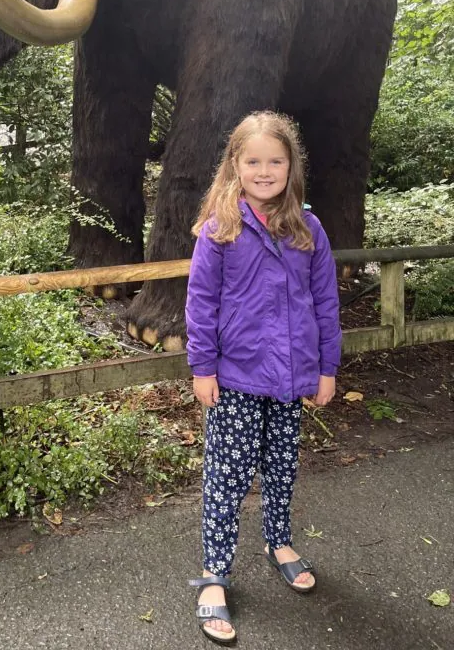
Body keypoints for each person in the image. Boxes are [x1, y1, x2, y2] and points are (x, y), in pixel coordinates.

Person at [185, 111, 341, 645]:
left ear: (290, 166)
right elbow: (200, 304)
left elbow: (325, 302)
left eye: (276, 160)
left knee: (281, 466)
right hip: (234, 378)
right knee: (227, 479)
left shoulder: (308, 228)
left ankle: (279, 540)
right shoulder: (219, 229)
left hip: (292, 378)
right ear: (236, 165)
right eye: (254, 161)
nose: (265, 170)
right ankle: (214, 574)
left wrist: (327, 369)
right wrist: (202, 367)